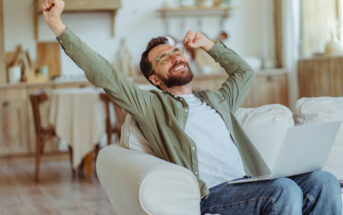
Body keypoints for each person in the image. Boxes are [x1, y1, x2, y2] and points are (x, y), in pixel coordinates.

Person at [42, 0, 342, 214]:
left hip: (252, 184)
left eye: (176, 51)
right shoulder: (153, 105)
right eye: (164, 58)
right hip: (215, 195)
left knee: (324, 181)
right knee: (284, 191)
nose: (175, 57)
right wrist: (57, 24)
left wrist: (209, 45)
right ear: (155, 79)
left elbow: (244, 73)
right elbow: (105, 74)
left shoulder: (216, 100)